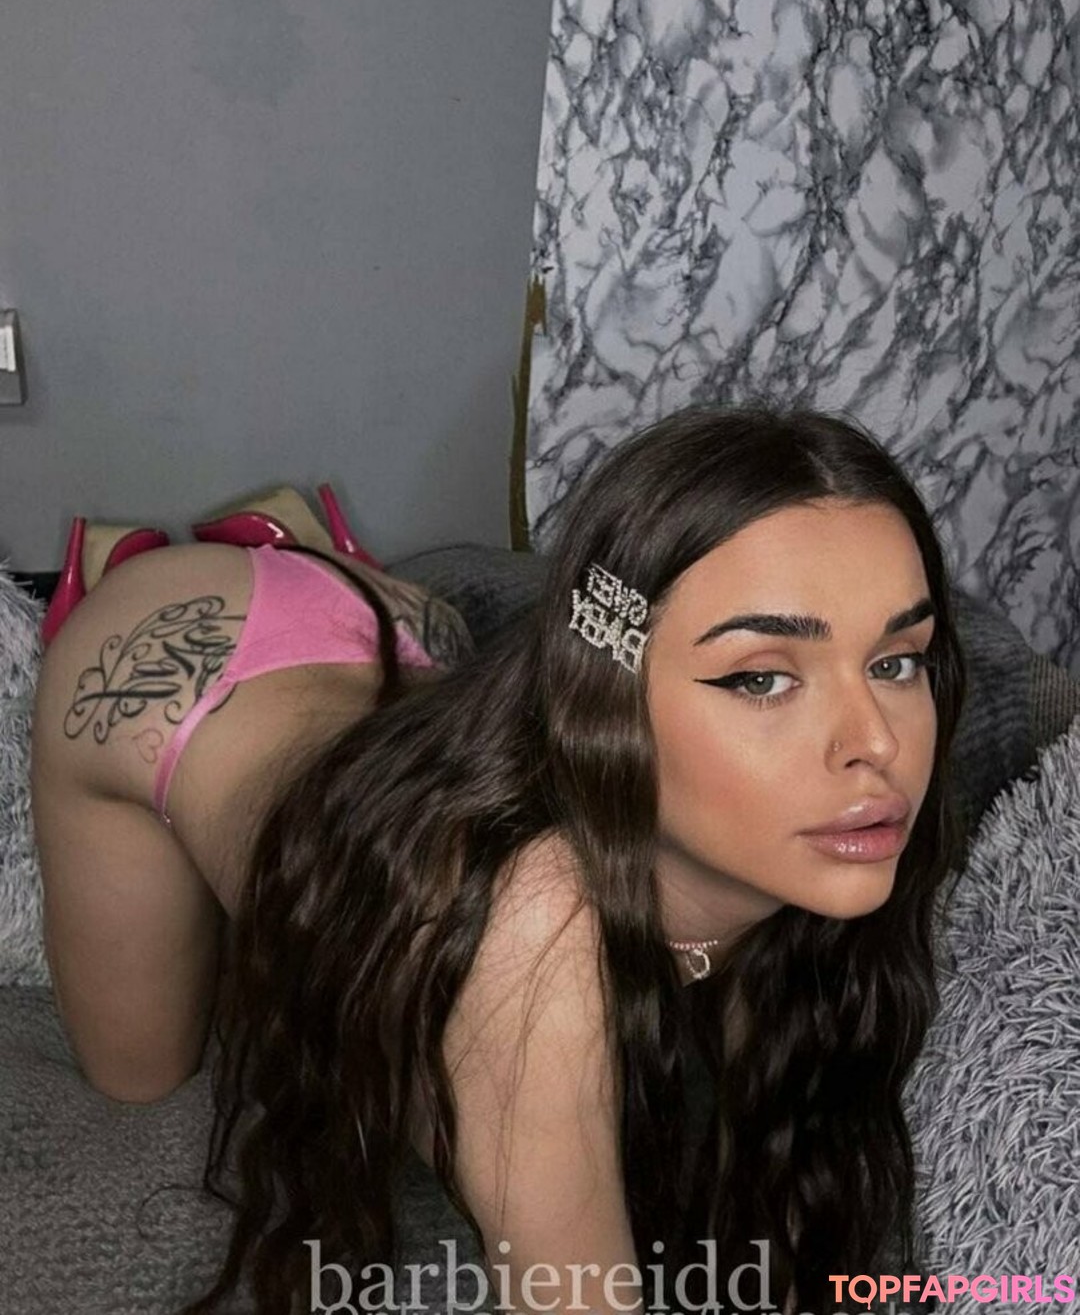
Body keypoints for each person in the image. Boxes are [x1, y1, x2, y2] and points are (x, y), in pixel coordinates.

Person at [30, 404, 968, 1315]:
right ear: (606, 699)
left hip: (395, 632)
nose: (877, 744)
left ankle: (317, 564)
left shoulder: (804, 845)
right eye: (760, 677)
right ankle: (203, 565)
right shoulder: (528, 931)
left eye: (897, 661)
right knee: (137, 1072)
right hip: (160, 663)